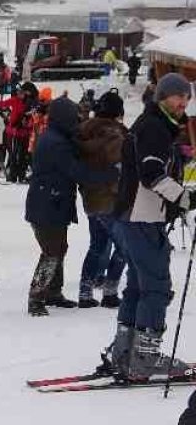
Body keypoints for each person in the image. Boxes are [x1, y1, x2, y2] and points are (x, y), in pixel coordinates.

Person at [103, 73, 194, 381]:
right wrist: (183, 197)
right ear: (162, 98)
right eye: (177, 96)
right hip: (142, 217)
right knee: (155, 287)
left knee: (138, 285)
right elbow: (152, 174)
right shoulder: (155, 126)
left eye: (187, 97)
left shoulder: (153, 124)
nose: (182, 102)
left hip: (132, 216)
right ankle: (145, 357)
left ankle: (126, 352)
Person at [25, 96, 118, 316]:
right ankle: (36, 297)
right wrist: (110, 174)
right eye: (73, 118)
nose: (76, 122)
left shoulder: (57, 137)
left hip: (52, 203)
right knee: (51, 251)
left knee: (59, 248)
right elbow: (77, 172)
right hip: (47, 204)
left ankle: (53, 293)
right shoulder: (55, 143)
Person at [76, 90, 128, 309]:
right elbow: (120, 169)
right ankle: (110, 291)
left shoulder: (84, 131)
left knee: (97, 245)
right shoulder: (116, 135)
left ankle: (85, 292)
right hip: (111, 200)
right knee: (124, 247)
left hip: (90, 198)